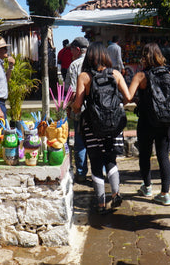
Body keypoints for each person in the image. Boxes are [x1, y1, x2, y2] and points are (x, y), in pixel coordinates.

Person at [71, 42, 132, 214]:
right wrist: (115, 104)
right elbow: (128, 97)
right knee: (111, 160)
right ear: (105, 55)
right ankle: (115, 193)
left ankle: (100, 204)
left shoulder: (84, 77)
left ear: (89, 55)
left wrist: (74, 106)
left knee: (96, 163)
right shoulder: (116, 74)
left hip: (92, 125)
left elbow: (77, 106)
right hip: (114, 125)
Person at [128, 43, 170, 205]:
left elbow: (128, 96)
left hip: (147, 120)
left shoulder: (141, 76)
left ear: (144, 57)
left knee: (145, 155)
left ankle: (147, 187)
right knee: (164, 156)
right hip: (166, 120)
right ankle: (165, 194)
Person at [65, 37, 89, 182]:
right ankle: (102, 172)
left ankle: (81, 173)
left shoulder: (75, 65)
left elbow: (72, 92)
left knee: (80, 142)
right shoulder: (97, 61)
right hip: (96, 110)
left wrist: (69, 107)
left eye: (72, 49)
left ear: (78, 49)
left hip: (80, 110)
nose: (71, 52)